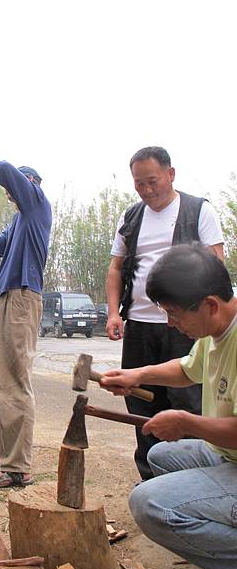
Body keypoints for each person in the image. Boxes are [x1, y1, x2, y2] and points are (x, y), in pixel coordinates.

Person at [100, 243, 237, 569]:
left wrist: (186, 422)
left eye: (175, 315)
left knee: (148, 503)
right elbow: (188, 369)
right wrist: (138, 375)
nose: (171, 324)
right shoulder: (215, 329)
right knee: (160, 455)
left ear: (210, 305)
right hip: (228, 456)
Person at [105, 146, 224, 481]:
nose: (146, 190)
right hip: (140, 325)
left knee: (187, 402)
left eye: (152, 181)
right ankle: (152, 480)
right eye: (139, 184)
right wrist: (114, 313)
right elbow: (116, 268)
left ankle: (195, 481)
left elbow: (215, 264)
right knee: (141, 405)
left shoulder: (198, 211)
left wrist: (203, 316)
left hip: (184, 325)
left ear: (171, 174)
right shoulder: (131, 217)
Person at [0, 161, 52, 488]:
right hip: (4, 297)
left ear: (29, 183)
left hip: (22, 297)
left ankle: (18, 467)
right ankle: (7, 453)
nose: (10, 194)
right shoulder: (18, 220)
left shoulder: (36, 204)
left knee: (14, 383)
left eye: (14, 187)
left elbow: (5, 168)